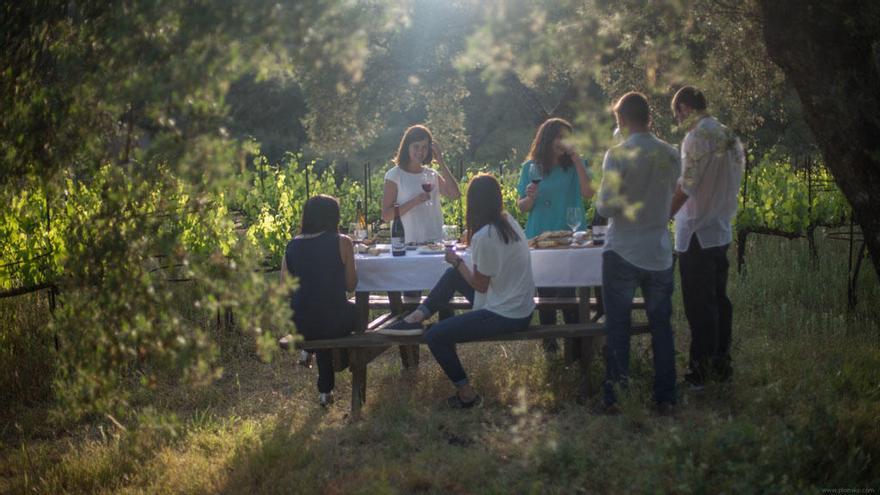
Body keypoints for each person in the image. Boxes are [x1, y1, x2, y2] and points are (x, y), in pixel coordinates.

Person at [382, 174, 536, 408]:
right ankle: (416, 316)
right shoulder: (507, 222)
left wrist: (456, 262)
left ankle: (467, 394)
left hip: (506, 314)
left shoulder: (486, 236)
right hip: (519, 305)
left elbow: (480, 285)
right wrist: (459, 265)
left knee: (435, 335)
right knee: (454, 275)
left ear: (473, 203)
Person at [596, 92, 680, 414]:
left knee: (618, 328)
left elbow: (604, 206)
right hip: (658, 250)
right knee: (662, 327)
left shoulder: (618, 154)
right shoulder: (671, 154)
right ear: (648, 117)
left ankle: (616, 397)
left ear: (621, 120)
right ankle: (666, 396)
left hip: (623, 250)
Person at [669, 86, 745, 390]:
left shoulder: (697, 137)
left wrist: (662, 216)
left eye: (677, 115)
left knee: (699, 305)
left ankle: (699, 373)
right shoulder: (730, 137)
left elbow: (686, 186)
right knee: (719, 302)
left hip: (697, 230)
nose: (678, 122)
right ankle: (721, 365)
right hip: (720, 228)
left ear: (685, 108)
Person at [516, 118, 595, 354]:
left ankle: (576, 345)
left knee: (569, 291)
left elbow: (588, 193)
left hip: (570, 236)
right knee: (546, 294)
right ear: (548, 139)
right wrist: (530, 197)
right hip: (539, 236)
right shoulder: (530, 168)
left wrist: (578, 160)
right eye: (560, 137)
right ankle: (549, 346)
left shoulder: (575, 165)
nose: (565, 142)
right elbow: (522, 207)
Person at [278, 195, 359, 407]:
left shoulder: (292, 245)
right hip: (333, 320)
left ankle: (325, 390)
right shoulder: (343, 242)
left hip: (299, 323)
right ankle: (329, 381)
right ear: (334, 216)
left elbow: (284, 289)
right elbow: (351, 286)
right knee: (353, 314)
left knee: (321, 317)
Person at [381, 124, 461, 243]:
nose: (420, 151)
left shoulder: (431, 174)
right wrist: (415, 201)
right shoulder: (394, 175)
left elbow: (455, 195)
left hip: (435, 244)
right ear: (406, 147)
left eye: (424, 147)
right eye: (416, 146)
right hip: (408, 245)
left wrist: (441, 161)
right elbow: (386, 216)